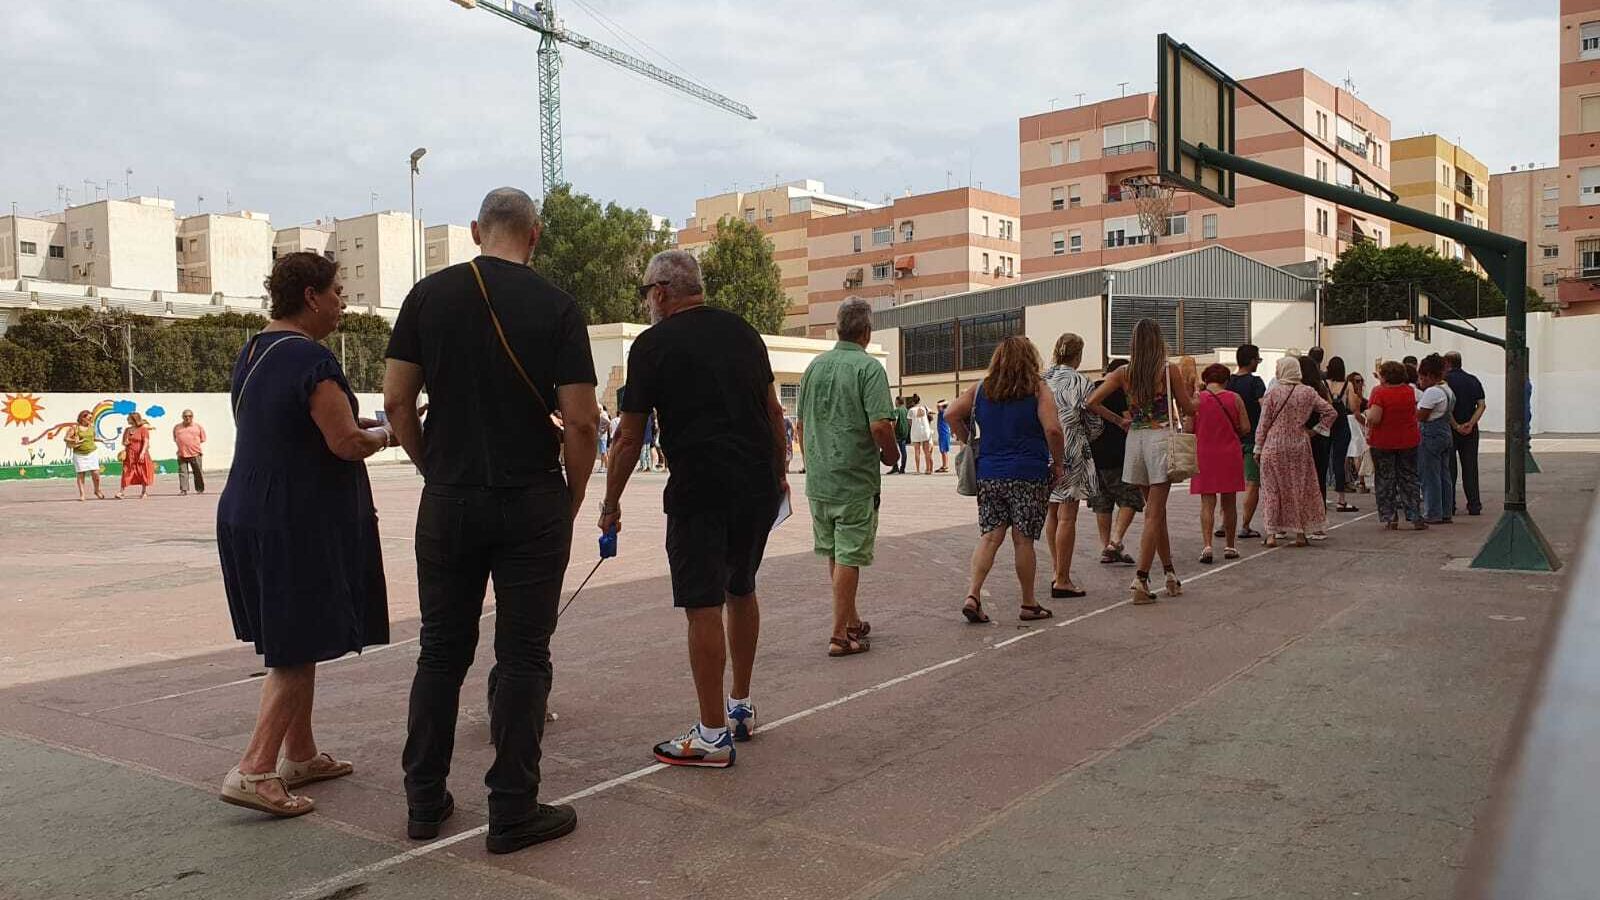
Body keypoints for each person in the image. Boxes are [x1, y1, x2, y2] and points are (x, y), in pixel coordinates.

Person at [385, 188, 598, 853]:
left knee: (440, 651)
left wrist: (431, 467)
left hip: (449, 498)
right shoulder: (558, 307)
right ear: (534, 235)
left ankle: (424, 801)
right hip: (531, 497)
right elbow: (582, 421)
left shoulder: (427, 297)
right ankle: (512, 809)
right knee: (524, 654)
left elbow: (396, 403)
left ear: (477, 231)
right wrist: (571, 497)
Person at [217, 251, 395, 818]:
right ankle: (255, 769)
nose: (343, 304)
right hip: (294, 518)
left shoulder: (254, 351)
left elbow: (293, 425)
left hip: (248, 508)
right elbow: (344, 443)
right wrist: (387, 435)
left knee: (298, 634)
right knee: (296, 646)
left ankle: (300, 753)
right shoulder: (312, 359)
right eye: (338, 292)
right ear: (312, 296)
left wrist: (359, 426)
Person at [601, 249, 786, 766]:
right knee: (741, 587)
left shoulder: (652, 345)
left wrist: (610, 503)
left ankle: (711, 735)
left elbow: (629, 437)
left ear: (661, 293)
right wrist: (777, 476)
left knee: (702, 603)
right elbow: (773, 412)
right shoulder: (744, 333)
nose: (647, 303)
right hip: (755, 485)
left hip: (700, 489)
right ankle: (740, 705)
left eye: (646, 293)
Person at [795, 298, 899, 657]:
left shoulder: (813, 368)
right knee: (849, 556)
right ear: (866, 332)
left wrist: (812, 462)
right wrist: (891, 455)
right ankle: (840, 635)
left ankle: (851, 619)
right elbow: (880, 425)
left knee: (836, 553)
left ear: (838, 329)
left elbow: (801, 424)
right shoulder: (868, 369)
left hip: (820, 480)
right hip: (853, 480)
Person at [945, 336, 1064, 623]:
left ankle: (973, 594)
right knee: (1023, 541)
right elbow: (1053, 430)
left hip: (990, 473)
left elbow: (951, 414)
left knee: (990, 536)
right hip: (1028, 473)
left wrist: (970, 441)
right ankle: (1028, 603)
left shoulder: (982, 388)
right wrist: (1058, 464)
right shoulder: (1038, 389)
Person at [1086, 318, 1194, 603]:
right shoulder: (1168, 370)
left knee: (1156, 514)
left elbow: (1091, 402)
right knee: (1154, 514)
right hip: (1160, 439)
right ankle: (1141, 580)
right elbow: (1188, 407)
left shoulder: (1123, 372)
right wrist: (1196, 394)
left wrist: (1119, 420)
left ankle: (1169, 572)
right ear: (1159, 341)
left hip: (1135, 441)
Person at [1253, 357, 1336, 547]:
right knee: (1298, 488)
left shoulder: (1273, 392)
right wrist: (1315, 430)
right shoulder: (1308, 392)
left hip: (1274, 444)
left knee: (1271, 489)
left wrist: (1258, 448)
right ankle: (1300, 534)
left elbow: (1263, 423)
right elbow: (1331, 412)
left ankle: (1272, 534)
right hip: (1299, 444)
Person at [1042, 333, 1097, 598]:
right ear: (1078, 355)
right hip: (1071, 449)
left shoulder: (1042, 380)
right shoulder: (1082, 382)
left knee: (1052, 512)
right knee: (1068, 516)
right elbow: (1094, 422)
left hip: (1043, 448)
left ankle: (1056, 569)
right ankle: (1063, 578)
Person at [1190, 363, 1249, 562]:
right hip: (1229, 453)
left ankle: (1207, 546)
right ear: (1226, 380)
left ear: (1206, 379)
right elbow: (1246, 427)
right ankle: (1230, 546)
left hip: (1204, 453)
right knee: (1229, 502)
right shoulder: (1235, 398)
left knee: (1207, 503)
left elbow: (1188, 428)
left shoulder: (1197, 399)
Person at [1086, 359, 1141, 565]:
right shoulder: (1117, 391)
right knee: (1131, 497)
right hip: (1117, 452)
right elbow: (1129, 419)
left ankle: (1106, 546)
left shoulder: (1091, 388)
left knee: (1103, 502)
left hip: (1094, 453)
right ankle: (1115, 541)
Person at [1365, 360, 1425, 530]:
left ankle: (1390, 517)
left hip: (1383, 441)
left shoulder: (1379, 392)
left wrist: (1367, 413)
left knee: (1385, 480)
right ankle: (1415, 515)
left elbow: (1376, 417)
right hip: (1408, 439)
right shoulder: (1409, 391)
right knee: (1409, 478)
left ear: (1384, 376)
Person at [1225, 344, 1267, 541]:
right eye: (1257, 360)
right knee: (1252, 482)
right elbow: (1265, 408)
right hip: (1252, 438)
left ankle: (1224, 522)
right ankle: (1244, 525)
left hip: (1230, 439)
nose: (1258, 363)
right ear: (1251, 361)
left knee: (1228, 484)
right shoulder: (1256, 383)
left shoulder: (1228, 382)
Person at [1443, 351, 1486, 516]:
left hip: (1450, 429)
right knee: (1470, 468)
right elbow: (1481, 405)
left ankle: (1450, 505)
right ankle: (1474, 505)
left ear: (1447, 363)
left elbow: (1445, 407)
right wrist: (1471, 423)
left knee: (1449, 469)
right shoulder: (1473, 380)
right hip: (1470, 430)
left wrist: (1455, 425)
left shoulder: (1444, 382)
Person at [1415, 353, 1457, 524]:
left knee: (1429, 475)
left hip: (1430, 433)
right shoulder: (1447, 390)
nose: (1420, 381)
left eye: (1422, 377)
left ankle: (1432, 512)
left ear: (1430, 376)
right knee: (1444, 474)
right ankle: (1446, 511)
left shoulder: (1432, 392)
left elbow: (1422, 416)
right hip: (1444, 431)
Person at [1299, 356, 1335, 540]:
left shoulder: (1299, 390)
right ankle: (1319, 524)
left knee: (1299, 480)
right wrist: (1317, 430)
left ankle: (1297, 523)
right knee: (1319, 480)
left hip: (1301, 438)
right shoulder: (1320, 388)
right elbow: (1330, 410)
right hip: (1319, 439)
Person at [1323, 358, 1358, 513]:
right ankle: (1341, 499)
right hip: (1342, 424)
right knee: (1339, 460)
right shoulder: (1348, 385)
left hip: (1327, 422)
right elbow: (1352, 406)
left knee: (1323, 461)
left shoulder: (1324, 384)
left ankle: (1322, 497)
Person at [114, 411, 156, 500]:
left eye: (129, 418)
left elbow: (146, 442)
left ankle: (144, 491)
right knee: (126, 471)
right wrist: (125, 442)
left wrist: (142, 453)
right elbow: (123, 442)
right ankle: (121, 492)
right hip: (130, 454)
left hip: (140, 453)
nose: (127, 419)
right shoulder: (127, 430)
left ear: (134, 419)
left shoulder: (143, 429)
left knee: (142, 471)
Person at [65, 410, 105, 501]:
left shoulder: (91, 427)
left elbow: (92, 438)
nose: (91, 419)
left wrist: (100, 440)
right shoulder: (75, 428)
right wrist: (74, 441)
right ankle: (82, 494)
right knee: (81, 474)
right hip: (79, 454)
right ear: (82, 418)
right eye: (89, 418)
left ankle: (97, 490)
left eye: (91, 418)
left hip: (92, 452)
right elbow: (66, 438)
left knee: (96, 473)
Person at [173, 409, 207, 496]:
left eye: (190, 416)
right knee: (183, 472)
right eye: (185, 416)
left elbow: (203, 439)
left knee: (198, 472)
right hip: (182, 454)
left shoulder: (198, 427)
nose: (187, 418)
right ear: (182, 417)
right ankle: (183, 490)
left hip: (195, 454)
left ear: (192, 417)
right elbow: (175, 438)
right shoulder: (177, 427)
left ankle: (199, 489)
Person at [908, 394, 934, 474]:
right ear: (919, 401)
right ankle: (928, 469)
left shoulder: (911, 410)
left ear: (913, 401)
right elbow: (932, 412)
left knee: (917, 451)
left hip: (916, 431)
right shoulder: (924, 408)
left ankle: (918, 470)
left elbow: (910, 422)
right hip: (925, 430)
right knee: (927, 451)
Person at [890, 396, 910, 474]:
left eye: (895, 401)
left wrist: (892, 430)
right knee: (903, 451)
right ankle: (902, 468)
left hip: (897, 432)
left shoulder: (897, 410)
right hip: (905, 432)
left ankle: (895, 467)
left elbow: (894, 420)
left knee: (893, 450)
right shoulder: (906, 410)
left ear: (898, 401)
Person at [935, 399, 952, 472]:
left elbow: (946, 403)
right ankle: (944, 465)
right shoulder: (940, 413)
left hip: (944, 433)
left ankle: (945, 466)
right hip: (942, 434)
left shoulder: (944, 412)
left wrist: (941, 404)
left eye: (939, 407)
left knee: (944, 450)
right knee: (943, 450)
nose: (937, 408)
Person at [596, 403, 610, 474]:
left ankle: (607, 467)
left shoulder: (602, 415)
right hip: (601, 436)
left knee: (604, 452)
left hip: (602, 436)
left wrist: (604, 430)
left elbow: (608, 422)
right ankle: (602, 467)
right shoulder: (602, 414)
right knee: (602, 452)